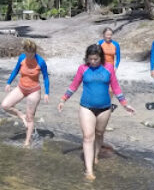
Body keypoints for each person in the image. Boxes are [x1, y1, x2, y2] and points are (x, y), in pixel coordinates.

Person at [58, 44, 135, 180]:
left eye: (95, 59)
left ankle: (95, 155)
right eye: (90, 59)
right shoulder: (83, 69)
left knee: (99, 134)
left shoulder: (108, 68)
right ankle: (89, 171)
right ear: (87, 58)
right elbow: (74, 85)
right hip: (86, 107)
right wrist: (64, 99)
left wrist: (124, 104)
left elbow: (116, 87)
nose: (93, 62)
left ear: (101, 58)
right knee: (88, 137)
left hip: (105, 108)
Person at [1, 39, 50, 147]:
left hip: (34, 90)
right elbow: (15, 70)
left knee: (30, 117)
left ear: (34, 51)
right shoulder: (22, 58)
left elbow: (46, 78)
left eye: (31, 54)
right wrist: (8, 83)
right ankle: (20, 115)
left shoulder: (41, 61)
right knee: (5, 105)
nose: (28, 56)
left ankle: (27, 142)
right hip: (21, 88)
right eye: (26, 53)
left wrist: (47, 93)